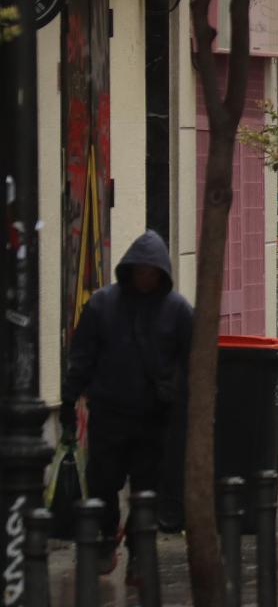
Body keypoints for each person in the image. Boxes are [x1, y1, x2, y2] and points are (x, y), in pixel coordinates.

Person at [61, 230, 192, 575]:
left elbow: (191, 361)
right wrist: (68, 401)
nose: (146, 277)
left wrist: (179, 398)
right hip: (109, 412)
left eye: (152, 272)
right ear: (131, 269)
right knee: (103, 482)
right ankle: (107, 535)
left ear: (161, 273)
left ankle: (137, 552)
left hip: (154, 416)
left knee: (146, 490)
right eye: (141, 270)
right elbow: (82, 356)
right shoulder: (103, 305)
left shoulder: (177, 311)